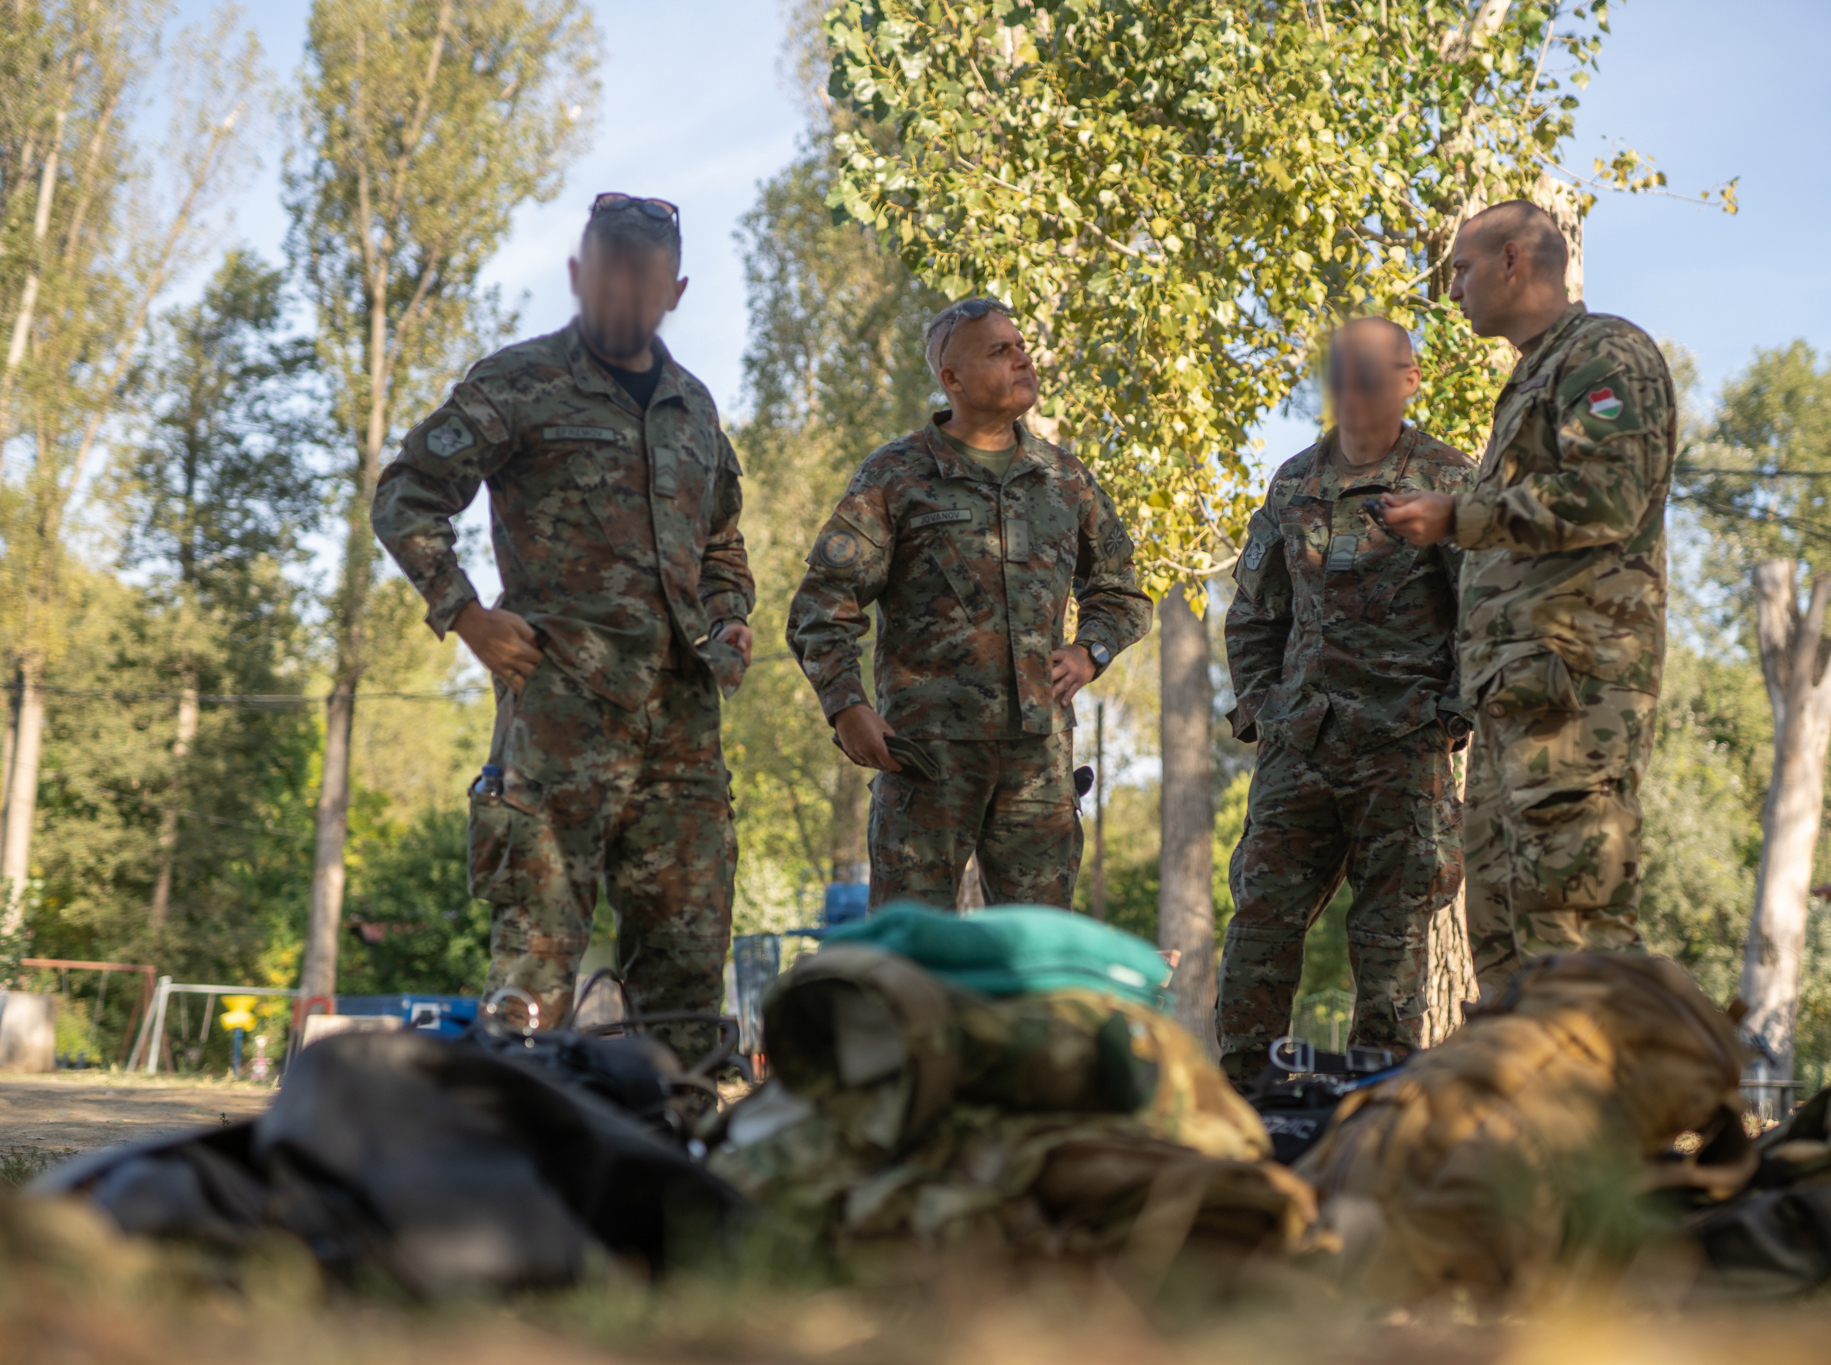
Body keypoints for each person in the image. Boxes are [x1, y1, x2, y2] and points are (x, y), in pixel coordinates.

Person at [372, 193, 754, 1065]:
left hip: (683, 736)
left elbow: (723, 541)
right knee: (534, 975)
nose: (625, 296)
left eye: (645, 281)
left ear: (676, 291)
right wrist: (466, 614)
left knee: (688, 975)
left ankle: (674, 1136)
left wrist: (729, 618)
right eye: (610, 276)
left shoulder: (694, 408)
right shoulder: (520, 382)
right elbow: (407, 494)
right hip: (558, 720)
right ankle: (517, 1138)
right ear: (579, 275)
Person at [1378, 199, 1676, 996]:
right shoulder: (1532, 377)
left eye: (1462, 269)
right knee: (1506, 945)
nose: (1453, 290)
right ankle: (1530, 1078)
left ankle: (1651, 1076)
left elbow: (1609, 496)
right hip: (1514, 700)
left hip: (1575, 698)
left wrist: (1458, 516)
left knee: (1575, 932)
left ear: (1513, 259)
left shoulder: (1605, 354)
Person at [787, 297, 1152, 910]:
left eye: (1021, 347)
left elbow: (1122, 591)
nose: (1022, 359)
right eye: (1000, 351)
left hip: (1038, 766)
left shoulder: (1064, 479)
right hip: (927, 762)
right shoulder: (895, 475)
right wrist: (845, 706)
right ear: (952, 378)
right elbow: (822, 606)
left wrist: (1091, 650)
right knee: (910, 949)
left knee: (1037, 951)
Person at [1214, 318, 1474, 1084]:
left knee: (1391, 939)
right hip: (1300, 747)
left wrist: (1449, 715)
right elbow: (1255, 612)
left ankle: (1376, 1098)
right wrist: (1263, 710)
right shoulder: (1294, 481)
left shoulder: (1447, 481)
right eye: (1339, 372)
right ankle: (1245, 1092)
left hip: (1402, 751)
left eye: (1369, 372)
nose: (1350, 388)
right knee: (1260, 920)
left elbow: (1485, 611)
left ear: (1409, 380)